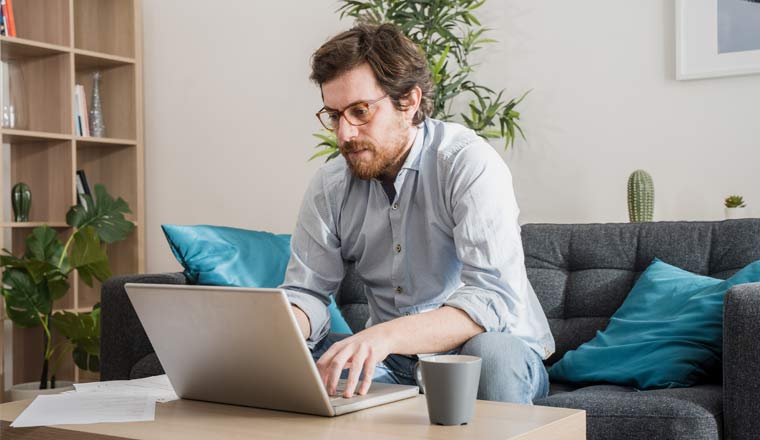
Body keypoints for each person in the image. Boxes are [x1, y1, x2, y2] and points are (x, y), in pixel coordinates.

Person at [280, 23, 554, 404]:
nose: (343, 134)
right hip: (392, 361)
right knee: (308, 365)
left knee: (491, 354)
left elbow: (491, 299)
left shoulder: (466, 163)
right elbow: (306, 291)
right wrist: (281, 329)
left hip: (486, 351)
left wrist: (382, 336)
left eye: (360, 111)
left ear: (408, 101)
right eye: (334, 115)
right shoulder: (330, 185)